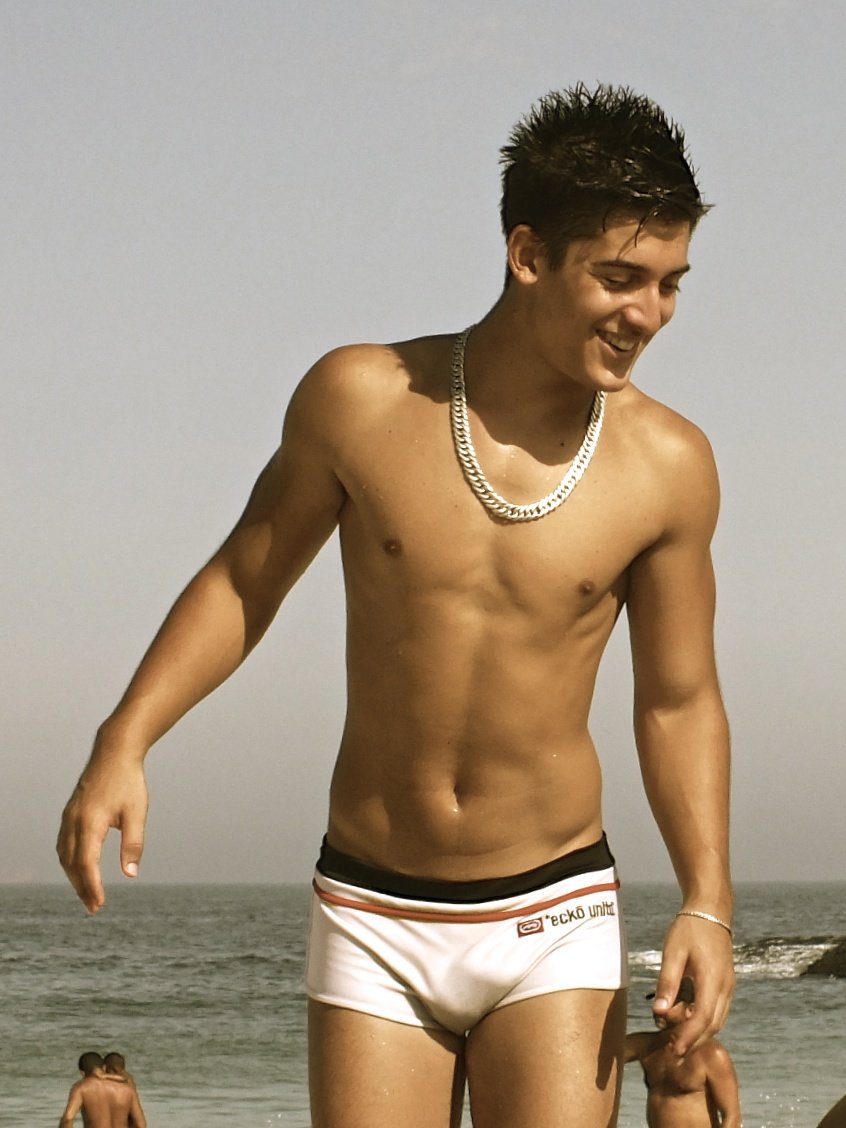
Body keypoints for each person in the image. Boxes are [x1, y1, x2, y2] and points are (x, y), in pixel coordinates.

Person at [57, 82, 734, 1127]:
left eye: (669, 284)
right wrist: (125, 739)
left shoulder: (669, 464)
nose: (648, 314)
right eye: (619, 278)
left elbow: (678, 700)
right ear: (527, 255)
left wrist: (707, 899)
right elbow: (244, 579)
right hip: (373, 905)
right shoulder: (360, 399)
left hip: (552, 907)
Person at [625, 977, 742, 1126]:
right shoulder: (647, 1046)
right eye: (658, 1001)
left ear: (690, 1010)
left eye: (669, 1003)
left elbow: (732, 1116)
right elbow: (603, 1054)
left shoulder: (711, 1054)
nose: (658, 1009)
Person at [58, 1051, 147, 1127]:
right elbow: (140, 1125)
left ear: (82, 1073)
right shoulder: (127, 1089)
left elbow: (68, 1119)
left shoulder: (82, 1087)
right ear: (104, 1067)